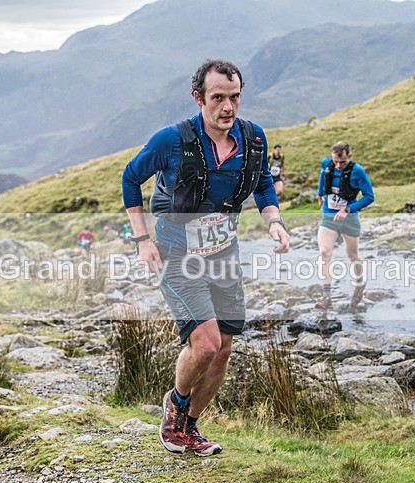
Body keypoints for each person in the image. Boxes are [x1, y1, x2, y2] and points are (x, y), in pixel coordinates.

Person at [121, 59, 289, 457]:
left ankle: (189, 428)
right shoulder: (170, 141)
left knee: (225, 346)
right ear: (199, 99)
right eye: (218, 98)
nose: (228, 107)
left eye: (234, 98)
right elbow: (130, 177)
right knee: (207, 344)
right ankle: (174, 407)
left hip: (223, 253)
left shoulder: (254, 138)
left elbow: (263, 182)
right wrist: (142, 239)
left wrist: (274, 222)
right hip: (177, 253)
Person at [315, 141, 375, 309]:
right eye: (335, 162)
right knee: (324, 252)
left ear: (349, 156)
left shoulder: (358, 171)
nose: (338, 166)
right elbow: (322, 173)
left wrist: (348, 209)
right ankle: (327, 297)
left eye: (342, 162)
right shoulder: (327, 164)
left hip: (349, 218)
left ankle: (359, 285)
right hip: (329, 215)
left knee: (353, 255)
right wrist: (320, 193)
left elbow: (369, 197)